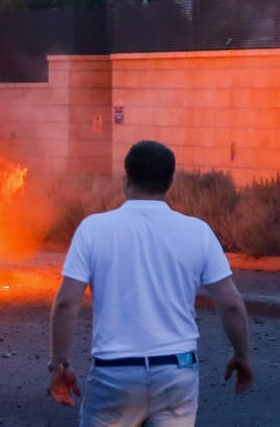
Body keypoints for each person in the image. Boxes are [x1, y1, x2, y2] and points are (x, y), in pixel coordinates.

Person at [46, 140, 253, 426]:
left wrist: (59, 364)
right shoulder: (198, 232)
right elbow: (230, 304)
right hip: (176, 371)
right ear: (170, 182)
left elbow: (66, 303)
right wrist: (241, 354)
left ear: (126, 179)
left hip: (115, 372)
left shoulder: (93, 229)